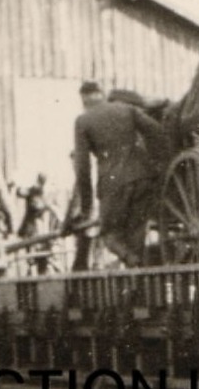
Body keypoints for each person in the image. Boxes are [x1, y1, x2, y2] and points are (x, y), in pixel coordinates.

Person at [71, 80, 170, 267]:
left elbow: (83, 168)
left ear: (83, 100)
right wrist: (158, 165)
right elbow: (157, 132)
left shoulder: (83, 121)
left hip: (113, 184)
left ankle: (133, 262)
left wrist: (86, 208)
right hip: (143, 178)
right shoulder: (125, 109)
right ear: (102, 94)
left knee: (109, 235)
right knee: (136, 237)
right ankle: (136, 282)